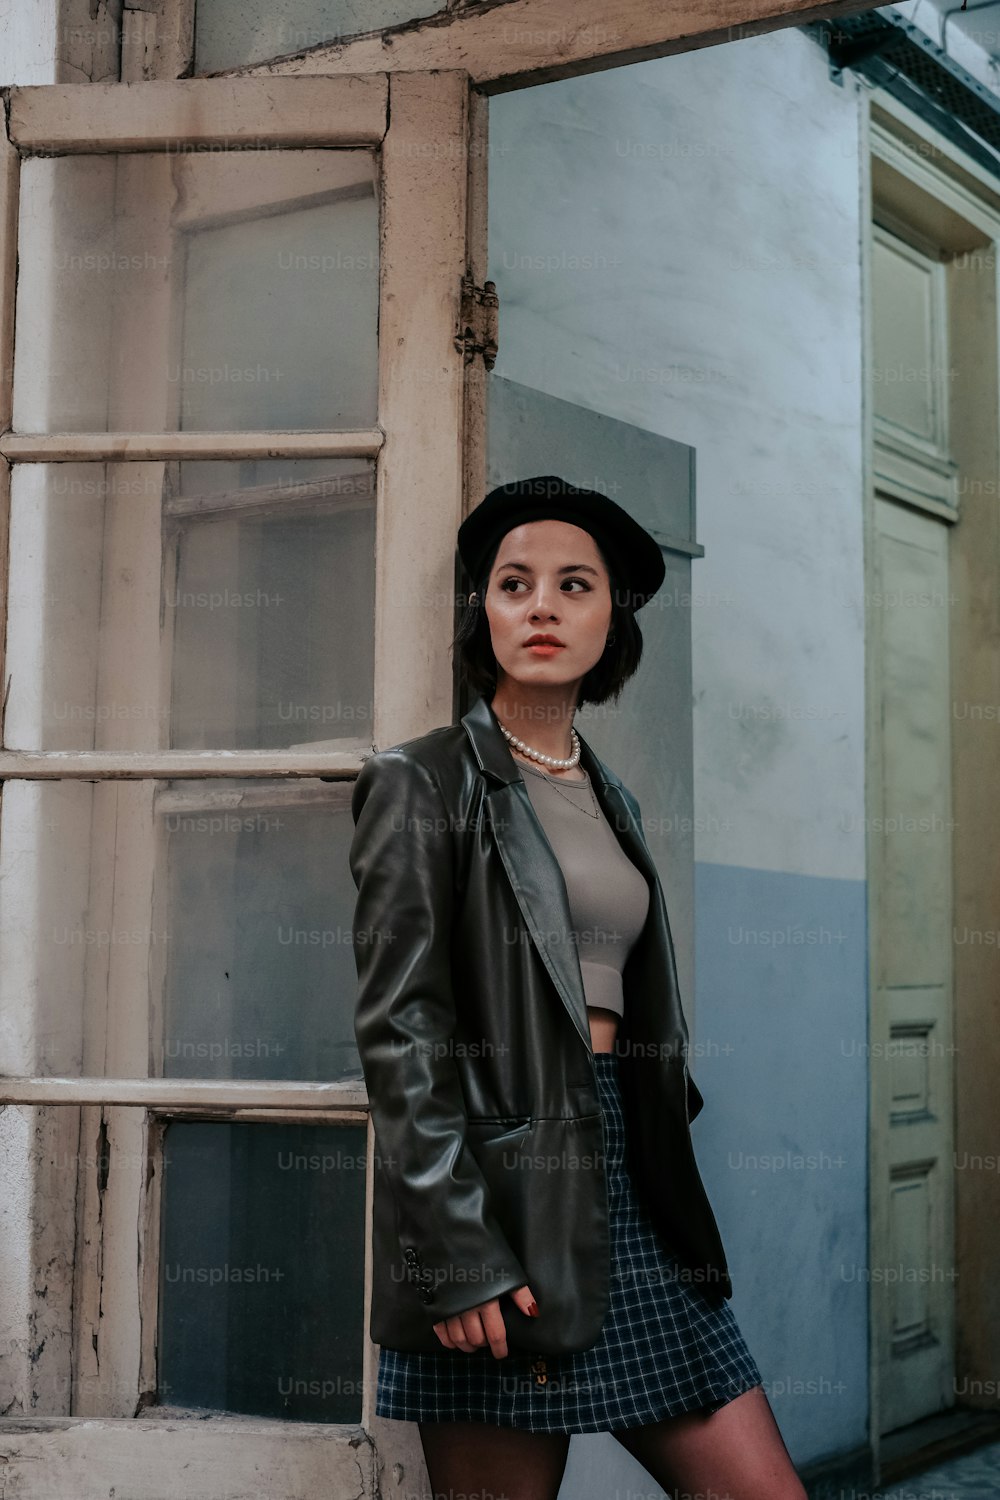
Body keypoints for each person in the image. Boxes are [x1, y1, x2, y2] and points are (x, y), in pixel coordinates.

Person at [349, 476, 807, 1500]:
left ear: (612, 621)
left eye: (572, 584)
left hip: (631, 1179)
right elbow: (401, 1034)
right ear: (484, 613)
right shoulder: (420, 783)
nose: (542, 606)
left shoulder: (613, 795)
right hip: (498, 1189)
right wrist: (455, 1251)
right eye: (513, 584)